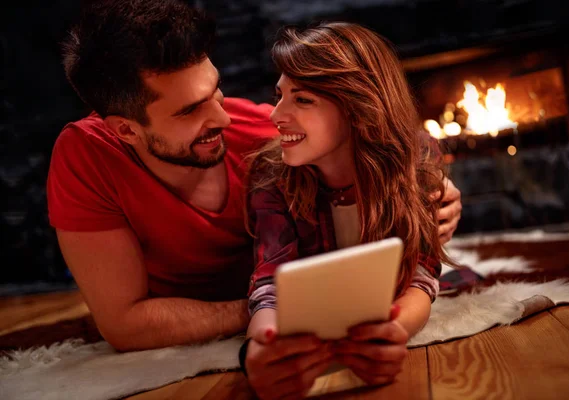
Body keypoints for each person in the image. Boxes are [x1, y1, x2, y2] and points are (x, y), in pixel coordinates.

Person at [47, 0, 462, 352]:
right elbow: (125, 325)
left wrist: (430, 188)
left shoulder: (267, 136)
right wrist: (287, 310)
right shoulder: (87, 156)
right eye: (191, 110)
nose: (224, 117)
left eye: (216, 90)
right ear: (126, 130)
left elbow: (376, 132)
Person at [242, 22, 456, 399]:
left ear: (358, 107)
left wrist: (394, 331)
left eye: (302, 100)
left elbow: (422, 273)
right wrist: (263, 344)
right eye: (280, 95)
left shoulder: (417, 157)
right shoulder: (271, 175)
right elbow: (268, 284)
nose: (276, 115)